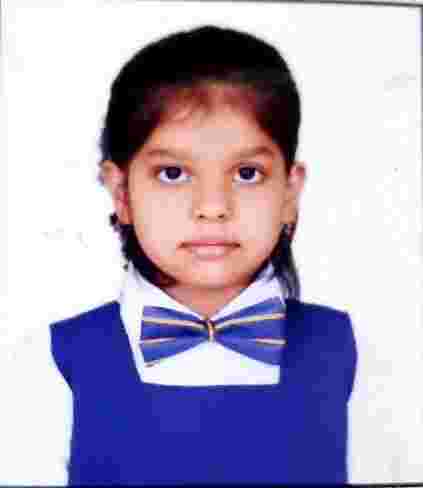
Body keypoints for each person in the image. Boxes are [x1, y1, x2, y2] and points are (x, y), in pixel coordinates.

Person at [3, 25, 357, 485]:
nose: (212, 207)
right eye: (172, 173)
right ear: (121, 192)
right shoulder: (50, 363)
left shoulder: (348, 352)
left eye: (247, 173)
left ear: (290, 191)